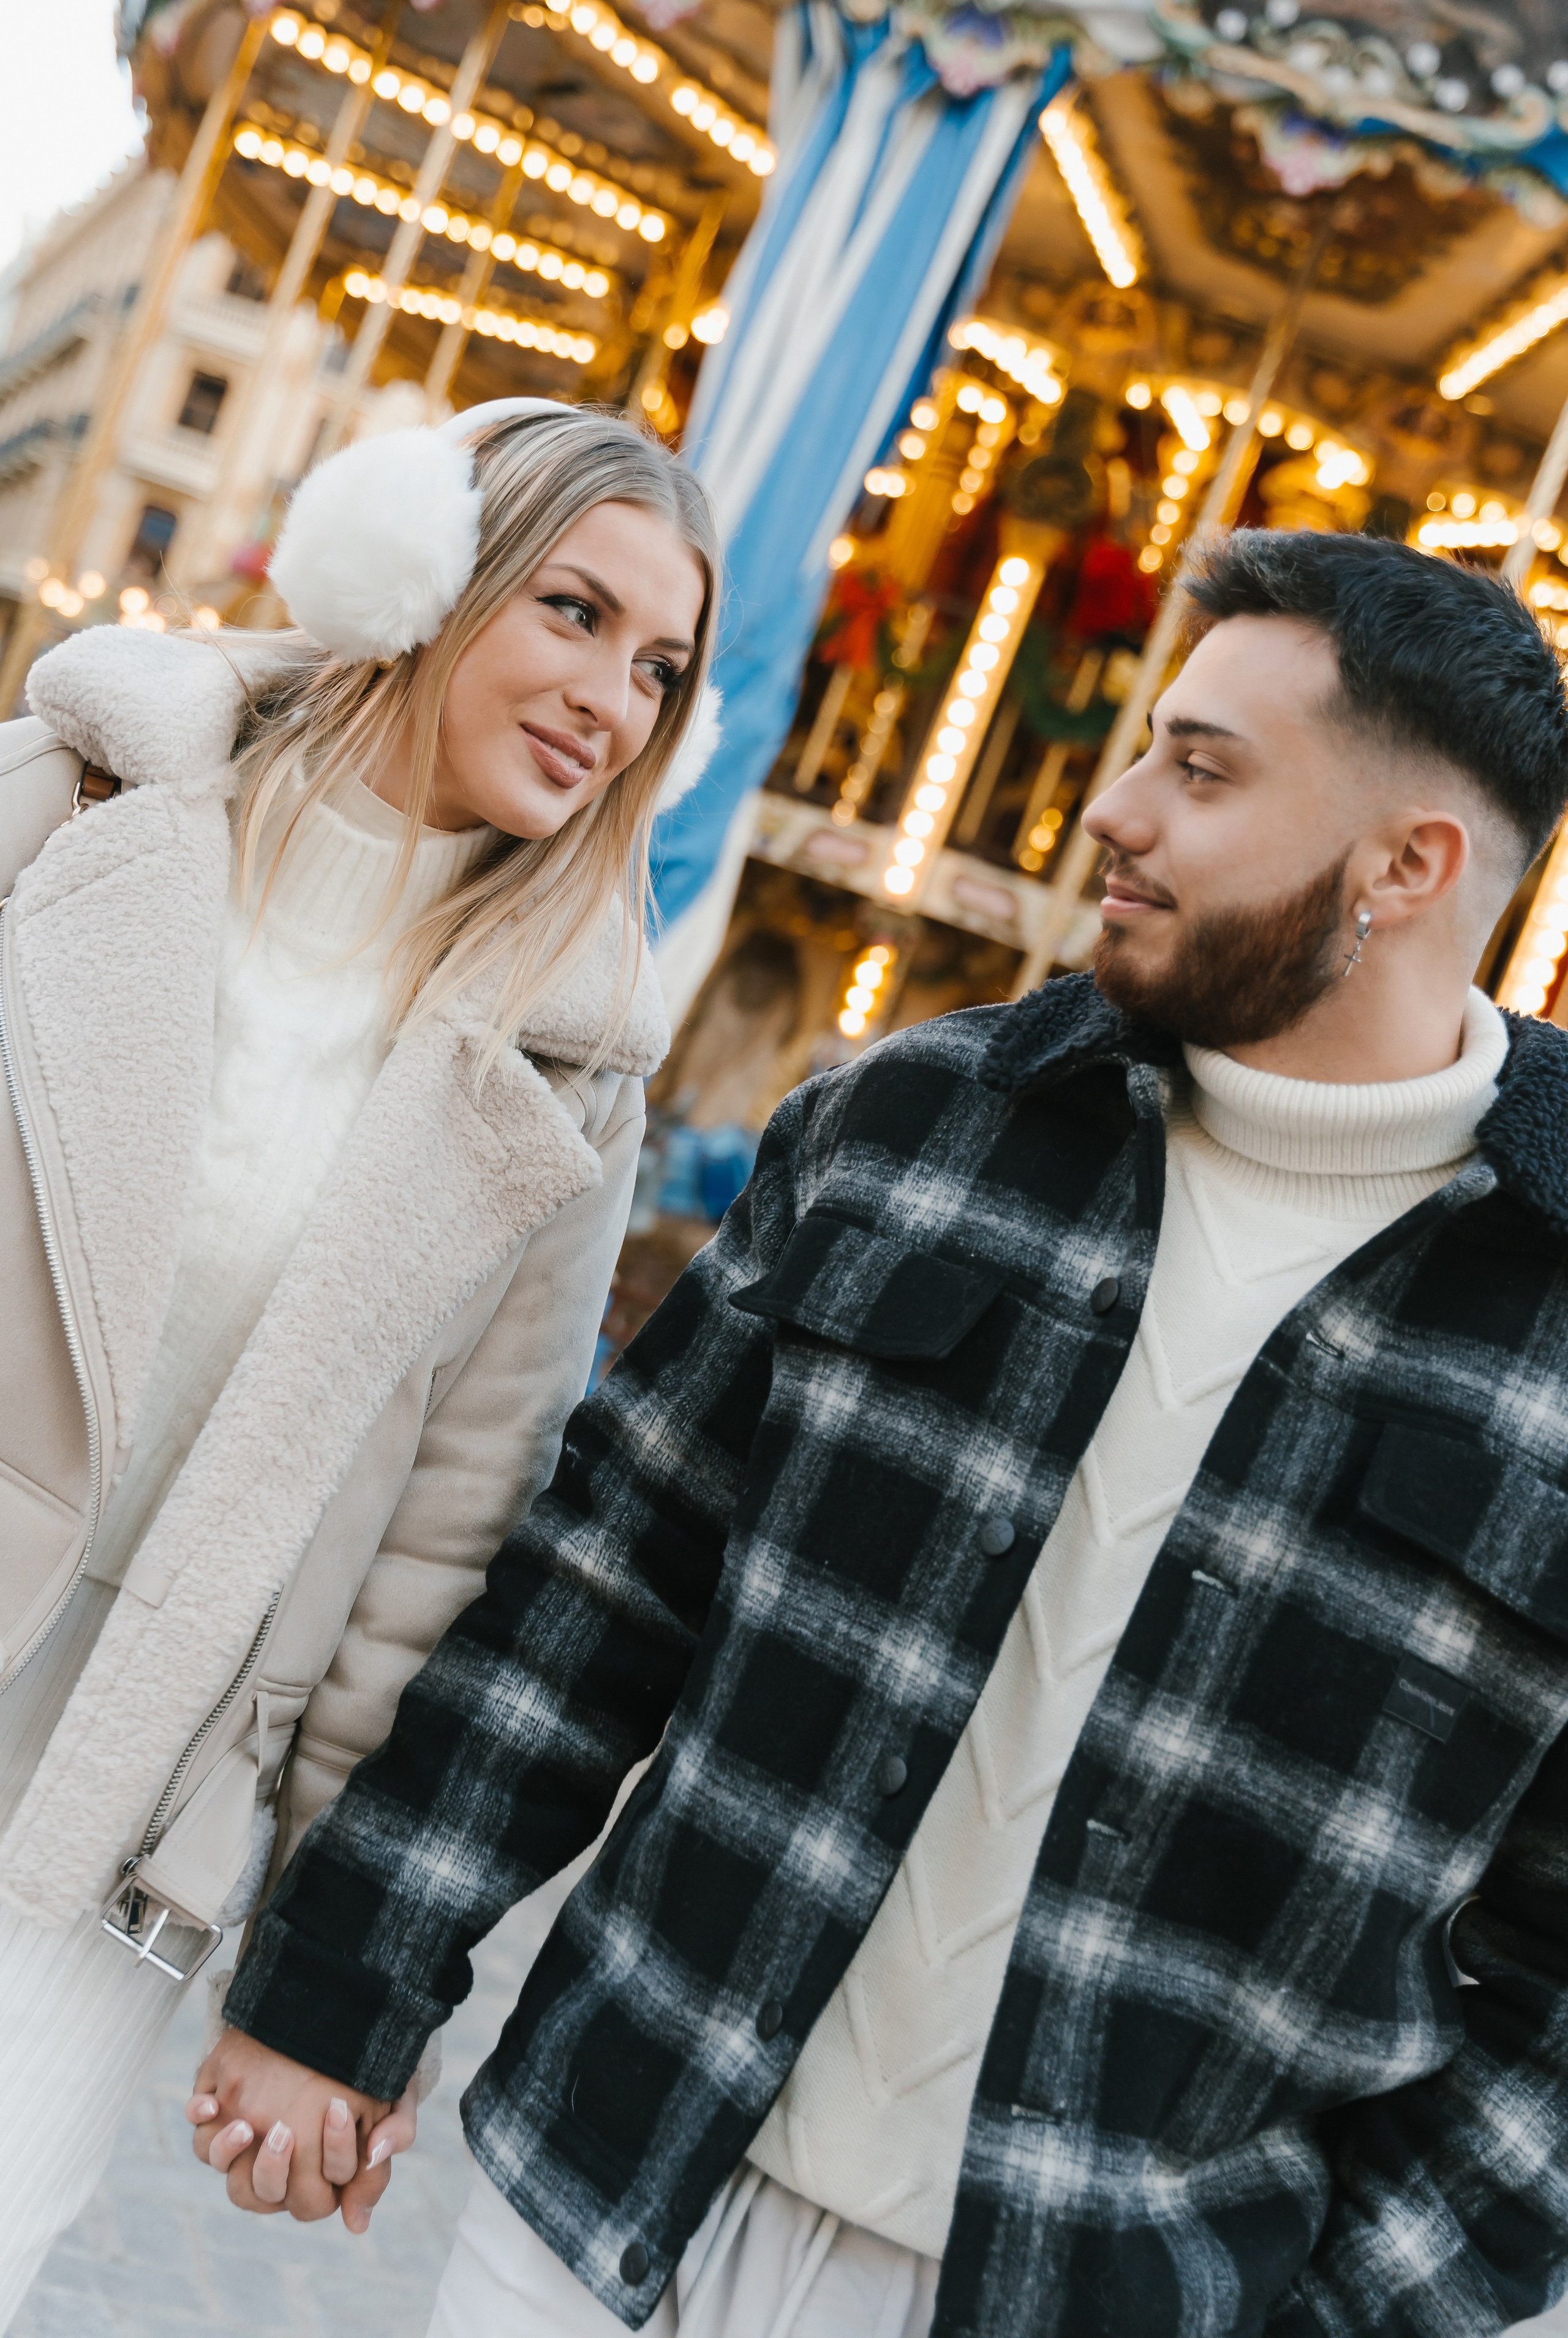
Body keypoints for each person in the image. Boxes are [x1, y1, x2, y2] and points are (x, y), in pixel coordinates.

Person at [195, 529, 1568, 2337]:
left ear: (1409, 864)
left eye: (1203, 770)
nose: (1116, 811)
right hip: (606, 2189)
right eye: (1148, 747)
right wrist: (338, 1992)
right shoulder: (913, 1126)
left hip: (1104, 2290)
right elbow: (596, 1595)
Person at [0, 397, 718, 2325]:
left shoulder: (570, 1064)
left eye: (660, 668)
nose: (612, 700)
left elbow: (450, 1533)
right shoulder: (67, 808)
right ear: (418, 572)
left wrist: (329, 1979)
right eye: (573, 611)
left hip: (132, 1797)